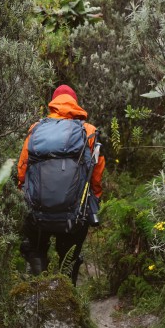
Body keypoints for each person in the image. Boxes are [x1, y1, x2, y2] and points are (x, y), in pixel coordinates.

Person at [17, 84, 105, 284]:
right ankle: (67, 291)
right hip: (74, 214)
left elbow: (22, 170)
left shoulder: (35, 129)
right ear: (75, 103)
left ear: (53, 103)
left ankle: (38, 289)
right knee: (69, 257)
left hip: (37, 212)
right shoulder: (88, 131)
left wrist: (24, 195)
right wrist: (95, 198)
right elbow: (96, 174)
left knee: (36, 251)